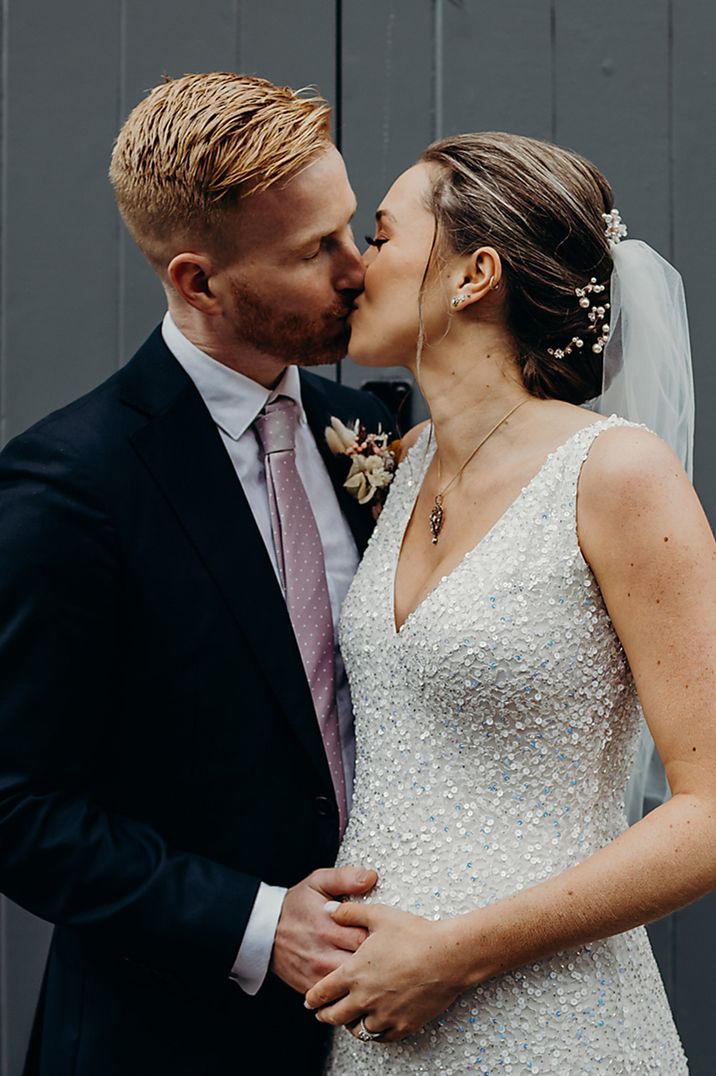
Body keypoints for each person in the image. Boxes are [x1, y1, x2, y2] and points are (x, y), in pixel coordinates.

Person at [0, 73, 392, 1076]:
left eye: (353, 228)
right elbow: (18, 806)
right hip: (167, 1037)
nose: (360, 271)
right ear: (197, 280)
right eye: (315, 251)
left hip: (392, 1021)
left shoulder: (381, 433)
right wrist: (259, 923)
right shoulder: (70, 483)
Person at [302, 133, 716, 1073]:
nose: (356, 265)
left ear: (473, 274)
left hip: (549, 1012)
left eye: (382, 234)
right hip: (382, 1024)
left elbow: (711, 809)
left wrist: (456, 953)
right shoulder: (402, 470)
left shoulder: (616, 473)